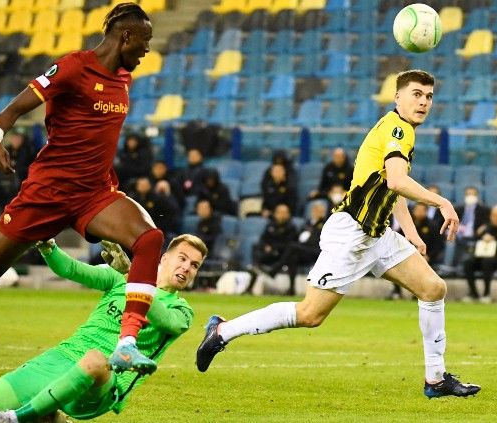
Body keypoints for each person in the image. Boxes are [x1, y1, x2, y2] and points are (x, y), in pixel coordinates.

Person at [0, 3, 162, 376]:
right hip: (47, 194)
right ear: (126, 35)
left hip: (94, 194)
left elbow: (96, 141)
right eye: (145, 39)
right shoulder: (73, 67)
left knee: (150, 239)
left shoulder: (124, 78)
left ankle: (126, 343)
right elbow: (12, 109)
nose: (147, 49)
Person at [196, 70, 481, 398]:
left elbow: (391, 187)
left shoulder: (396, 130)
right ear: (397, 97)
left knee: (433, 289)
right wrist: (442, 201)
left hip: (377, 234)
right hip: (352, 234)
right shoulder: (398, 129)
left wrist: (413, 233)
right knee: (310, 314)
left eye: (429, 97)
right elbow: (397, 181)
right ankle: (222, 330)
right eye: (416, 94)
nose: (424, 102)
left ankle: (436, 379)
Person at [0, 234, 207, 423]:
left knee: (95, 359)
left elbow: (162, 318)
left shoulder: (182, 312)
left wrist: (133, 274)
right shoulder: (117, 278)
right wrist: (47, 245)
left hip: (103, 384)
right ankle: (49, 415)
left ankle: (14, 418)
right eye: (182, 258)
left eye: (194, 265)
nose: (186, 267)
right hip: (61, 358)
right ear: (164, 258)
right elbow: (71, 270)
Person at [259, 201, 327, 296]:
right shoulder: (307, 223)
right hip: (303, 250)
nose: (320, 213)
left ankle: (275, 269)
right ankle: (291, 289)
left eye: (322, 211)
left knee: (292, 246)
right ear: (312, 211)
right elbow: (299, 237)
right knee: (292, 258)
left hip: (315, 251)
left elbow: (315, 242)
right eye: (317, 210)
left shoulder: (324, 225)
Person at [462, 205, 497, 303]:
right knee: (468, 262)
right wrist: (479, 235)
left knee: (487, 262)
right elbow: (476, 242)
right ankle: (474, 294)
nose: (496, 219)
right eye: (494, 216)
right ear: (490, 216)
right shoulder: (487, 228)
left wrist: (495, 241)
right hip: (483, 257)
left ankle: (486, 294)